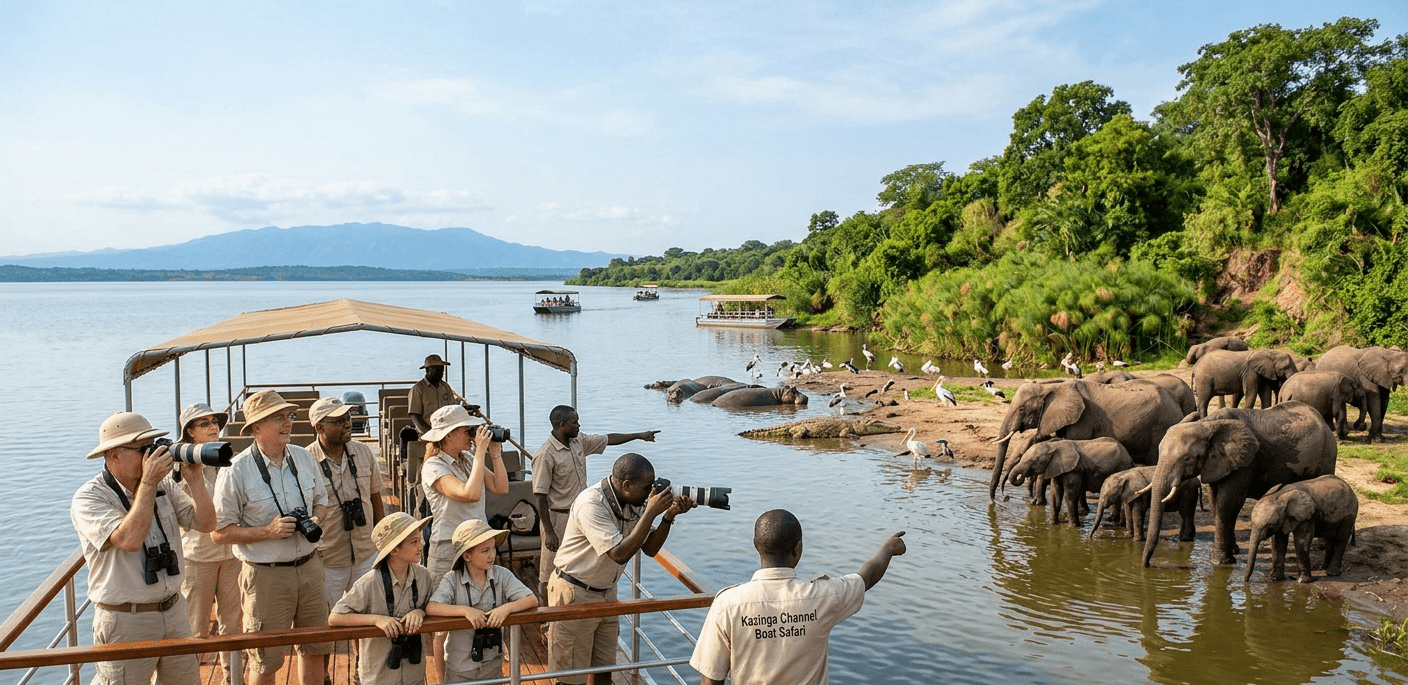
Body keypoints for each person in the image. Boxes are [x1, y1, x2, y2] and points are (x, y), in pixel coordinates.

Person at [71, 411, 216, 685]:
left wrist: (196, 480)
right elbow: (128, 540)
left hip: (174, 611)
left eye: (154, 446)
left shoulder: (164, 487)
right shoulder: (90, 497)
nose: (152, 456)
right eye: (143, 450)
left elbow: (206, 523)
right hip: (126, 620)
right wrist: (148, 483)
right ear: (113, 455)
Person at [688, 510, 908, 685]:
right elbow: (865, 579)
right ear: (798, 549)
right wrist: (887, 549)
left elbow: (711, 679)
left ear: (757, 547)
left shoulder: (727, 604)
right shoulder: (823, 596)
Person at [211, 390, 332, 685]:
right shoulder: (236, 471)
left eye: (289, 416)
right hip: (266, 577)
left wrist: (315, 518)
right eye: (277, 418)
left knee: (315, 649)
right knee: (265, 661)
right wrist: (268, 531)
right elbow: (218, 532)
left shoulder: (304, 457)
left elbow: (323, 501)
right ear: (255, 428)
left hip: (310, 567)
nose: (287, 423)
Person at [548, 453, 694, 685]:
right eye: (647, 488)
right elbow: (618, 554)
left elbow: (649, 548)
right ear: (626, 485)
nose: (650, 494)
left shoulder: (633, 502)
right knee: (570, 677)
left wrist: (668, 516)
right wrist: (649, 512)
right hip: (575, 592)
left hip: (606, 593)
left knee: (605, 671)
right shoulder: (591, 503)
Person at [418, 404, 509, 678]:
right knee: (442, 623)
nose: (471, 434)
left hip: (478, 546)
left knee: (481, 608)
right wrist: (480, 451)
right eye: (466, 430)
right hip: (448, 549)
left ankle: (477, 672)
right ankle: (445, 680)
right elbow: (468, 494)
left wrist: (494, 454)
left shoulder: (469, 459)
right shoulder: (432, 467)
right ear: (447, 436)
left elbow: (501, 488)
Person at [531, 405, 659, 598]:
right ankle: (546, 615)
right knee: (549, 571)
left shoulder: (578, 442)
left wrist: (639, 435)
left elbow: (608, 439)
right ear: (562, 425)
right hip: (558, 518)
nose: (579, 425)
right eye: (575, 422)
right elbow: (539, 495)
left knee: (587, 559)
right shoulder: (545, 454)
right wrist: (548, 531)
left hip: (587, 516)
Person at [307, 396, 387, 679]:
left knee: (364, 618)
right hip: (328, 556)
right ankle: (324, 676)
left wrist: (384, 546)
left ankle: (360, 671)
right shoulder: (306, 461)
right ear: (320, 427)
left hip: (366, 551)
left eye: (347, 418)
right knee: (326, 622)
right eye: (338, 421)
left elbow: (377, 499)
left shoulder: (363, 454)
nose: (347, 424)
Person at [175, 403, 242, 681]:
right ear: (190, 432)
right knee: (195, 629)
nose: (213, 427)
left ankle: (232, 678)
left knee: (234, 626)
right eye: (204, 424)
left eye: (214, 421)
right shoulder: (178, 469)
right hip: (198, 558)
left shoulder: (228, 458)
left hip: (231, 555)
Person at [425, 519, 537, 683]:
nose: (492, 555)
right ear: (467, 555)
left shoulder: (502, 575)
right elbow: (431, 607)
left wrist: (506, 609)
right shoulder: (452, 580)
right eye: (485, 551)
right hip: (460, 670)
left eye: (493, 549)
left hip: (492, 668)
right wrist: (465, 611)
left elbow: (531, 599)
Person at [328, 512, 433, 685]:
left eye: (419, 539)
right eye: (413, 542)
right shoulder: (369, 582)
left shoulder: (424, 576)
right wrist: (377, 620)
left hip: (414, 677)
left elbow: (433, 606)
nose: (421, 545)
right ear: (394, 549)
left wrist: (420, 612)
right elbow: (335, 617)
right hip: (379, 678)